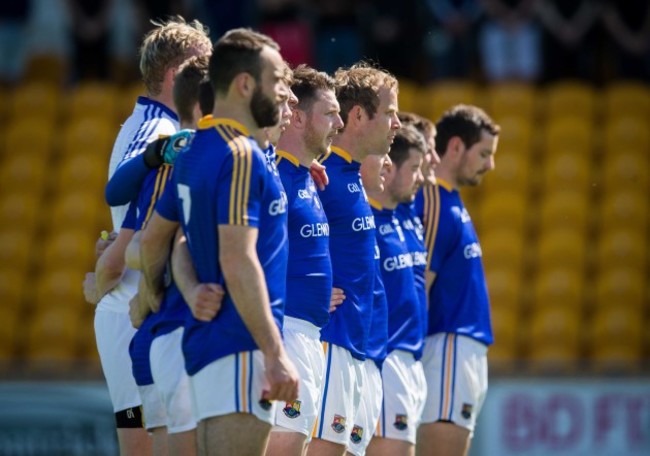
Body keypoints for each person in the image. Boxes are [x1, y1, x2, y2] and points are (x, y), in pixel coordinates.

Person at [138, 28, 299, 455]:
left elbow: (163, 241)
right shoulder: (242, 153)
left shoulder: (194, 152)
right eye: (276, 81)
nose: (284, 92)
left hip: (209, 346)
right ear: (245, 84)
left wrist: (170, 290)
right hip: (241, 342)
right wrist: (274, 351)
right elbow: (238, 259)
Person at [89, 16, 211, 455]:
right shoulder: (159, 131)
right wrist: (109, 264)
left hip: (137, 303)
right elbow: (128, 211)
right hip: (132, 307)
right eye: (204, 67)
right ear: (177, 75)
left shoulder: (153, 123)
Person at [124, 54, 215, 456]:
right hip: (182, 330)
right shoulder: (196, 157)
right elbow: (145, 245)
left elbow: (135, 242)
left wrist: (144, 291)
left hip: (157, 333)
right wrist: (146, 290)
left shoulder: (168, 158)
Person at [309, 62, 401, 456]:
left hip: (358, 348)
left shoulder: (347, 175)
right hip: (331, 340)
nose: (397, 123)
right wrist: (309, 287)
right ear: (359, 116)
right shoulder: (322, 173)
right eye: (391, 112)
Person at [267, 64, 344, 456]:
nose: (339, 123)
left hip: (307, 336)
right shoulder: (274, 175)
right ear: (297, 117)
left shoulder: (303, 175)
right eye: (330, 113)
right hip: (285, 334)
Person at [416, 105, 500, 456]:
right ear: (454, 147)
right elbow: (422, 282)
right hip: (447, 344)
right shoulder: (434, 198)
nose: (489, 165)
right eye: (483, 154)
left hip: (461, 348)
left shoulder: (450, 200)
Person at [364, 126, 428, 456]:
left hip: (411, 356)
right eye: (415, 169)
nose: (422, 178)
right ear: (389, 169)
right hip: (388, 354)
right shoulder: (367, 219)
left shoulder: (404, 217)